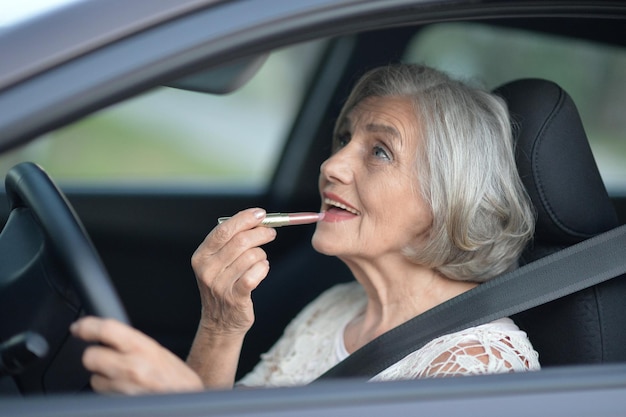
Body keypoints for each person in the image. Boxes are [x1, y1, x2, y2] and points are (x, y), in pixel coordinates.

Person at [70, 63, 540, 394]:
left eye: (379, 151)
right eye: (344, 139)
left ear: (446, 197)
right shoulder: (334, 310)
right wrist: (221, 324)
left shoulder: (479, 368)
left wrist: (179, 407)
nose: (332, 165)